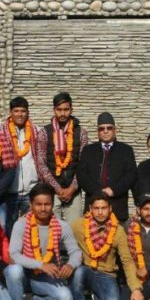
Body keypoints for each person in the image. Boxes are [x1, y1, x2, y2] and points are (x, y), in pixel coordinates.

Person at [5, 183, 81, 300]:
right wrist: (40, 265)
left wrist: (71, 264)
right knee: (13, 270)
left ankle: (38, 299)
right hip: (24, 274)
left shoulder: (62, 226)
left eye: (47, 204)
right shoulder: (21, 224)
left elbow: (75, 251)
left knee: (65, 298)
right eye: (38, 204)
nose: (43, 208)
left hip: (44, 277)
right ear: (31, 205)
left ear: (52, 204)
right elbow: (13, 254)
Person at [69, 194, 143, 300]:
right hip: (86, 269)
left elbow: (127, 261)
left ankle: (95, 296)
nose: (100, 212)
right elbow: (60, 230)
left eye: (103, 208)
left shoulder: (118, 231)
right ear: (90, 209)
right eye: (96, 208)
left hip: (106, 273)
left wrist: (135, 288)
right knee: (79, 272)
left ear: (110, 208)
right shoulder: (79, 225)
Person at [36, 92, 89, 223]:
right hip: (51, 192)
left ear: (71, 110)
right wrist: (57, 188)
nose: (63, 113)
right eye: (59, 110)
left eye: (66, 109)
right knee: (52, 229)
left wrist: (72, 188)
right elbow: (41, 164)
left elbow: (83, 164)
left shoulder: (81, 133)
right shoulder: (44, 133)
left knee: (75, 229)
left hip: (74, 192)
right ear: (54, 110)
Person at [77, 112, 137, 222]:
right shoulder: (88, 150)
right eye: (101, 129)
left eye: (109, 128)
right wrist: (97, 191)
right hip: (93, 205)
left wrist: (113, 190)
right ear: (97, 131)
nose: (105, 131)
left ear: (115, 130)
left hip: (117, 205)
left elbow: (131, 175)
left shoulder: (126, 150)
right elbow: (81, 175)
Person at [1, 96, 41, 227]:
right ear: (10, 112)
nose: (20, 114)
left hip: (31, 190)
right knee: (9, 228)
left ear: (28, 112)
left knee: (32, 228)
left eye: (23, 111)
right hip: (9, 191)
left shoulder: (37, 131)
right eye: (16, 111)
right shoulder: (0, 133)